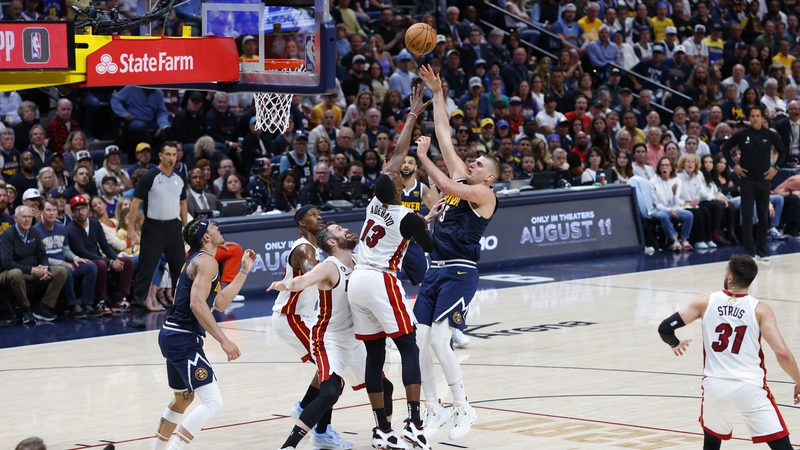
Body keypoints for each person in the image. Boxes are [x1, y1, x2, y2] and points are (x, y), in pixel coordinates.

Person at [347, 83, 446, 450]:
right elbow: (430, 244)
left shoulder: (375, 203)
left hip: (357, 279)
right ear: (397, 187)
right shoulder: (407, 215)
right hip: (380, 280)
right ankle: (416, 423)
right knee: (408, 348)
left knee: (375, 353)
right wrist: (429, 220)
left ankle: (381, 429)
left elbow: (397, 152)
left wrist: (412, 115)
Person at [414, 65, 500, 441]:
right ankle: (434, 407)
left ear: (490, 176)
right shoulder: (462, 178)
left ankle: (464, 406)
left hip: (462, 272)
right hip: (435, 270)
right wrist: (437, 93)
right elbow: (445, 133)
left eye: (479, 164)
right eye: (473, 160)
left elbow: (445, 181)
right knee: (419, 342)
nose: (472, 162)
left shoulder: (484, 194)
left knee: (438, 340)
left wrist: (422, 157)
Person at [270, 221, 395, 450]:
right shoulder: (329, 266)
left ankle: (384, 435)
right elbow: (305, 280)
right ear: (332, 242)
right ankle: (289, 445)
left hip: (355, 339)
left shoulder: (359, 262)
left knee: (385, 387)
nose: (346, 230)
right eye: (340, 230)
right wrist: (287, 285)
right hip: (329, 338)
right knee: (330, 392)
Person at [658, 254, 800, 450]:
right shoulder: (761, 310)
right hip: (750, 387)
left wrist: (675, 343)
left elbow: (665, 328)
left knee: (711, 444)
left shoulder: (705, 301)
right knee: (781, 446)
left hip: (715, 386)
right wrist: (799, 381)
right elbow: (782, 353)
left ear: (730, 278)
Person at [151, 218, 254, 450]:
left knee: (183, 398)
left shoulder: (203, 261)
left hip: (172, 335)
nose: (218, 228)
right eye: (213, 227)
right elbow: (198, 305)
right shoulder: (207, 262)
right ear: (206, 237)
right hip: (182, 338)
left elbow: (219, 302)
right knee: (213, 401)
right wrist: (224, 340)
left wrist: (243, 272)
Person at [271, 206, 353, 448]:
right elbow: (312, 274)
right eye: (312, 214)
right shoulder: (305, 248)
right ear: (302, 224)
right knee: (331, 373)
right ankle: (320, 430)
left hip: (303, 316)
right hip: (291, 316)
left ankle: (306, 409)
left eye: (319, 213)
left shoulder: (317, 250)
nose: (319, 216)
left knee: (328, 371)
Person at [128, 142, 188, 328]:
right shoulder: (150, 176)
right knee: (146, 270)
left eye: (174, 154)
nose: (171, 157)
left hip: (174, 227)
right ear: (160, 155)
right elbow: (135, 203)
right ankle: (136, 311)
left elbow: (183, 203)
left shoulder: (179, 178)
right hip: (153, 228)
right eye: (168, 154)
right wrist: (131, 229)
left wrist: (185, 227)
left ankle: (182, 311)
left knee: (180, 270)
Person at [721, 107, 786, 261]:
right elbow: (726, 150)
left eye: (758, 116)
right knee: (748, 216)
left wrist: (775, 168)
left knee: (764, 216)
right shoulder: (742, 134)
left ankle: (762, 250)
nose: (755, 118)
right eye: (752, 116)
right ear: (749, 118)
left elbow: (783, 151)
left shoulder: (769, 134)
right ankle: (749, 250)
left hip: (764, 180)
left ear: (763, 118)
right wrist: (734, 166)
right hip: (747, 181)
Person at [67, 195, 135, 315]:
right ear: (72, 212)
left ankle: (120, 299)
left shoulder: (95, 223)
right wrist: (110, 262)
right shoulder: (71, 229)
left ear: (88, 208)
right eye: (76, 209)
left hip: (99, 258)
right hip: (82, 262)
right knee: (101, 264)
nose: (80, 212)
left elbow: (105, 246)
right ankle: (100, 301)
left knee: (128, 261)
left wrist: (115, 259)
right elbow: (83, 252)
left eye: (82, 208)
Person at [0, 205, 68, 324]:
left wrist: (44, 267)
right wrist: (32, 270)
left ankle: (43, 308)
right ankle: (26, 310)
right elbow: (7, 263)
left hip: (33, 270)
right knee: (16, 274)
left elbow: (42, 254)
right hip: (9, 272)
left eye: (30, 217)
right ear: (15, 218)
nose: (27, 220)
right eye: (24, 217)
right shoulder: (7, 235)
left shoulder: (34, 232)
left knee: (61, 271)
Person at [35, 198, 99, 319]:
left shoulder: (61, 228)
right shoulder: (36, 231)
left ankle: (87, 304)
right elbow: (39, 258)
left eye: (54, 210)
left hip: (64, 262)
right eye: (48, 210)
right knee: (66, 270)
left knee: (90, 266)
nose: (51, 213)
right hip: (48, 266)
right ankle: (73, 305)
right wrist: (62, 262)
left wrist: (75, 258)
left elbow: (65, 249)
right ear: (41, 212)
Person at [400, 150, 440, 286]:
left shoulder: (421, 188)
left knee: (426, 281)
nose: (406, 165)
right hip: (393, 241)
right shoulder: (392, 185)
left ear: (415, 167)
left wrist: (433, 184)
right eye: (403, 162)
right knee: (390, 281)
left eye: (410, 163)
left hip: (412, 242)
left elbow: (435, 207)